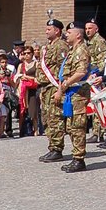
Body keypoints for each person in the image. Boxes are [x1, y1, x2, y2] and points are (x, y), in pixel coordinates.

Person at [52, 23, 91, 173]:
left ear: (78, 35)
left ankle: (79, 159)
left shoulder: (81, 50)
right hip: (70, 94)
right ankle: (76, 157)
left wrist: (66, 84)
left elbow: (81, 72)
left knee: (77, 127)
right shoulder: (72, 50)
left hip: (78, 93)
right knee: (71, 127)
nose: (66, 35)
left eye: (69, 32)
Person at [36, 19, 69, 163]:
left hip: (54, 87)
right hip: (45, 88)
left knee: (55, 119)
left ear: (57, 31)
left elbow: (64, 70)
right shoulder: (48, 46)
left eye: (49, 29)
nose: (46, 31)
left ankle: (57, 149)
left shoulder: (61, 46)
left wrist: (60, 90)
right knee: (47, 119)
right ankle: (52, 147)